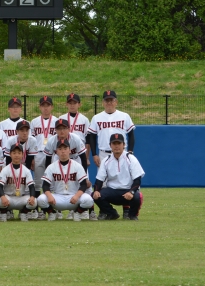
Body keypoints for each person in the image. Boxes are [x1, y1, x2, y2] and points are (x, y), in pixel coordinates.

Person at [88, 90, 136, 219]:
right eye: (107, 100)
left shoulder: (124, 116)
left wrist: (130, 151)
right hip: (104, 153)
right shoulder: (97, 118)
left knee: (125, 181)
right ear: (103, 102)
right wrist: (94, 154)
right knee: (102, 183)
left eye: (111, 100)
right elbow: (92, 136)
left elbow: (131, 135)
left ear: (116, 102)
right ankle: (105, 210)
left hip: (122, 153)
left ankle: (127, 209)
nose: (109, 102)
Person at [37, 139, 93, 221]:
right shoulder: (51, 167)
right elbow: (45, 185)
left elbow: (83, 185)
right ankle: (52, 212)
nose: (63, 151)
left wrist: (76, 196)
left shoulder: (77, 166)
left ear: (69, 150)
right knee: (40, 199)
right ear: (56, 152)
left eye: (65, 148)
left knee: (89, 200)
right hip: (57, 198)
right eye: (60, 149)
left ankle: (77, 212)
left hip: (74, 197)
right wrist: (50, 196)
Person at [93, 133, 145, 221]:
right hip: (112, 191)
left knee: (137, 196)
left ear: (124, 145)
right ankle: (112, 213)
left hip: (127, 190)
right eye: (114, 143)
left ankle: (132, 215)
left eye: (119, 143)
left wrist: (131, 192)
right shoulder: (106, 160)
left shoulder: (131, 158)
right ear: (110, 145)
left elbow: (137, 180)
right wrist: (96, 191)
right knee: (95, 195)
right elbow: (99, 180)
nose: (116, 146)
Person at [30, 96, 58, 220]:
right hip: (38, 153)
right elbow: (32, 141)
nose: (45, 108)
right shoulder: (34, 121)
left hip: (53, 154)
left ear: (52, 107)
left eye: (48, 105)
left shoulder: (57, 121)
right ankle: (37, 210)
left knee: (53, 182)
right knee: (37, 183)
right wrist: (31, 157)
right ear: (40, 107)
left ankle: (54, 209)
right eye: (43, 105)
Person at [0, 144, 36, 221]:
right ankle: (4, 213)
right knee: (0, 200)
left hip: (21, 198)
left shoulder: (26, 170)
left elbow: (31, 186)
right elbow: (0, 186)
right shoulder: (5, 169)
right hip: (9, 198)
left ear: (22, 155)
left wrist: (32, 197)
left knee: (34, 202)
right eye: (14, 153)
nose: (16, 155)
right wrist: (3, 197)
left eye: (19, 153)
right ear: (10, 154)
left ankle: (23, 213)